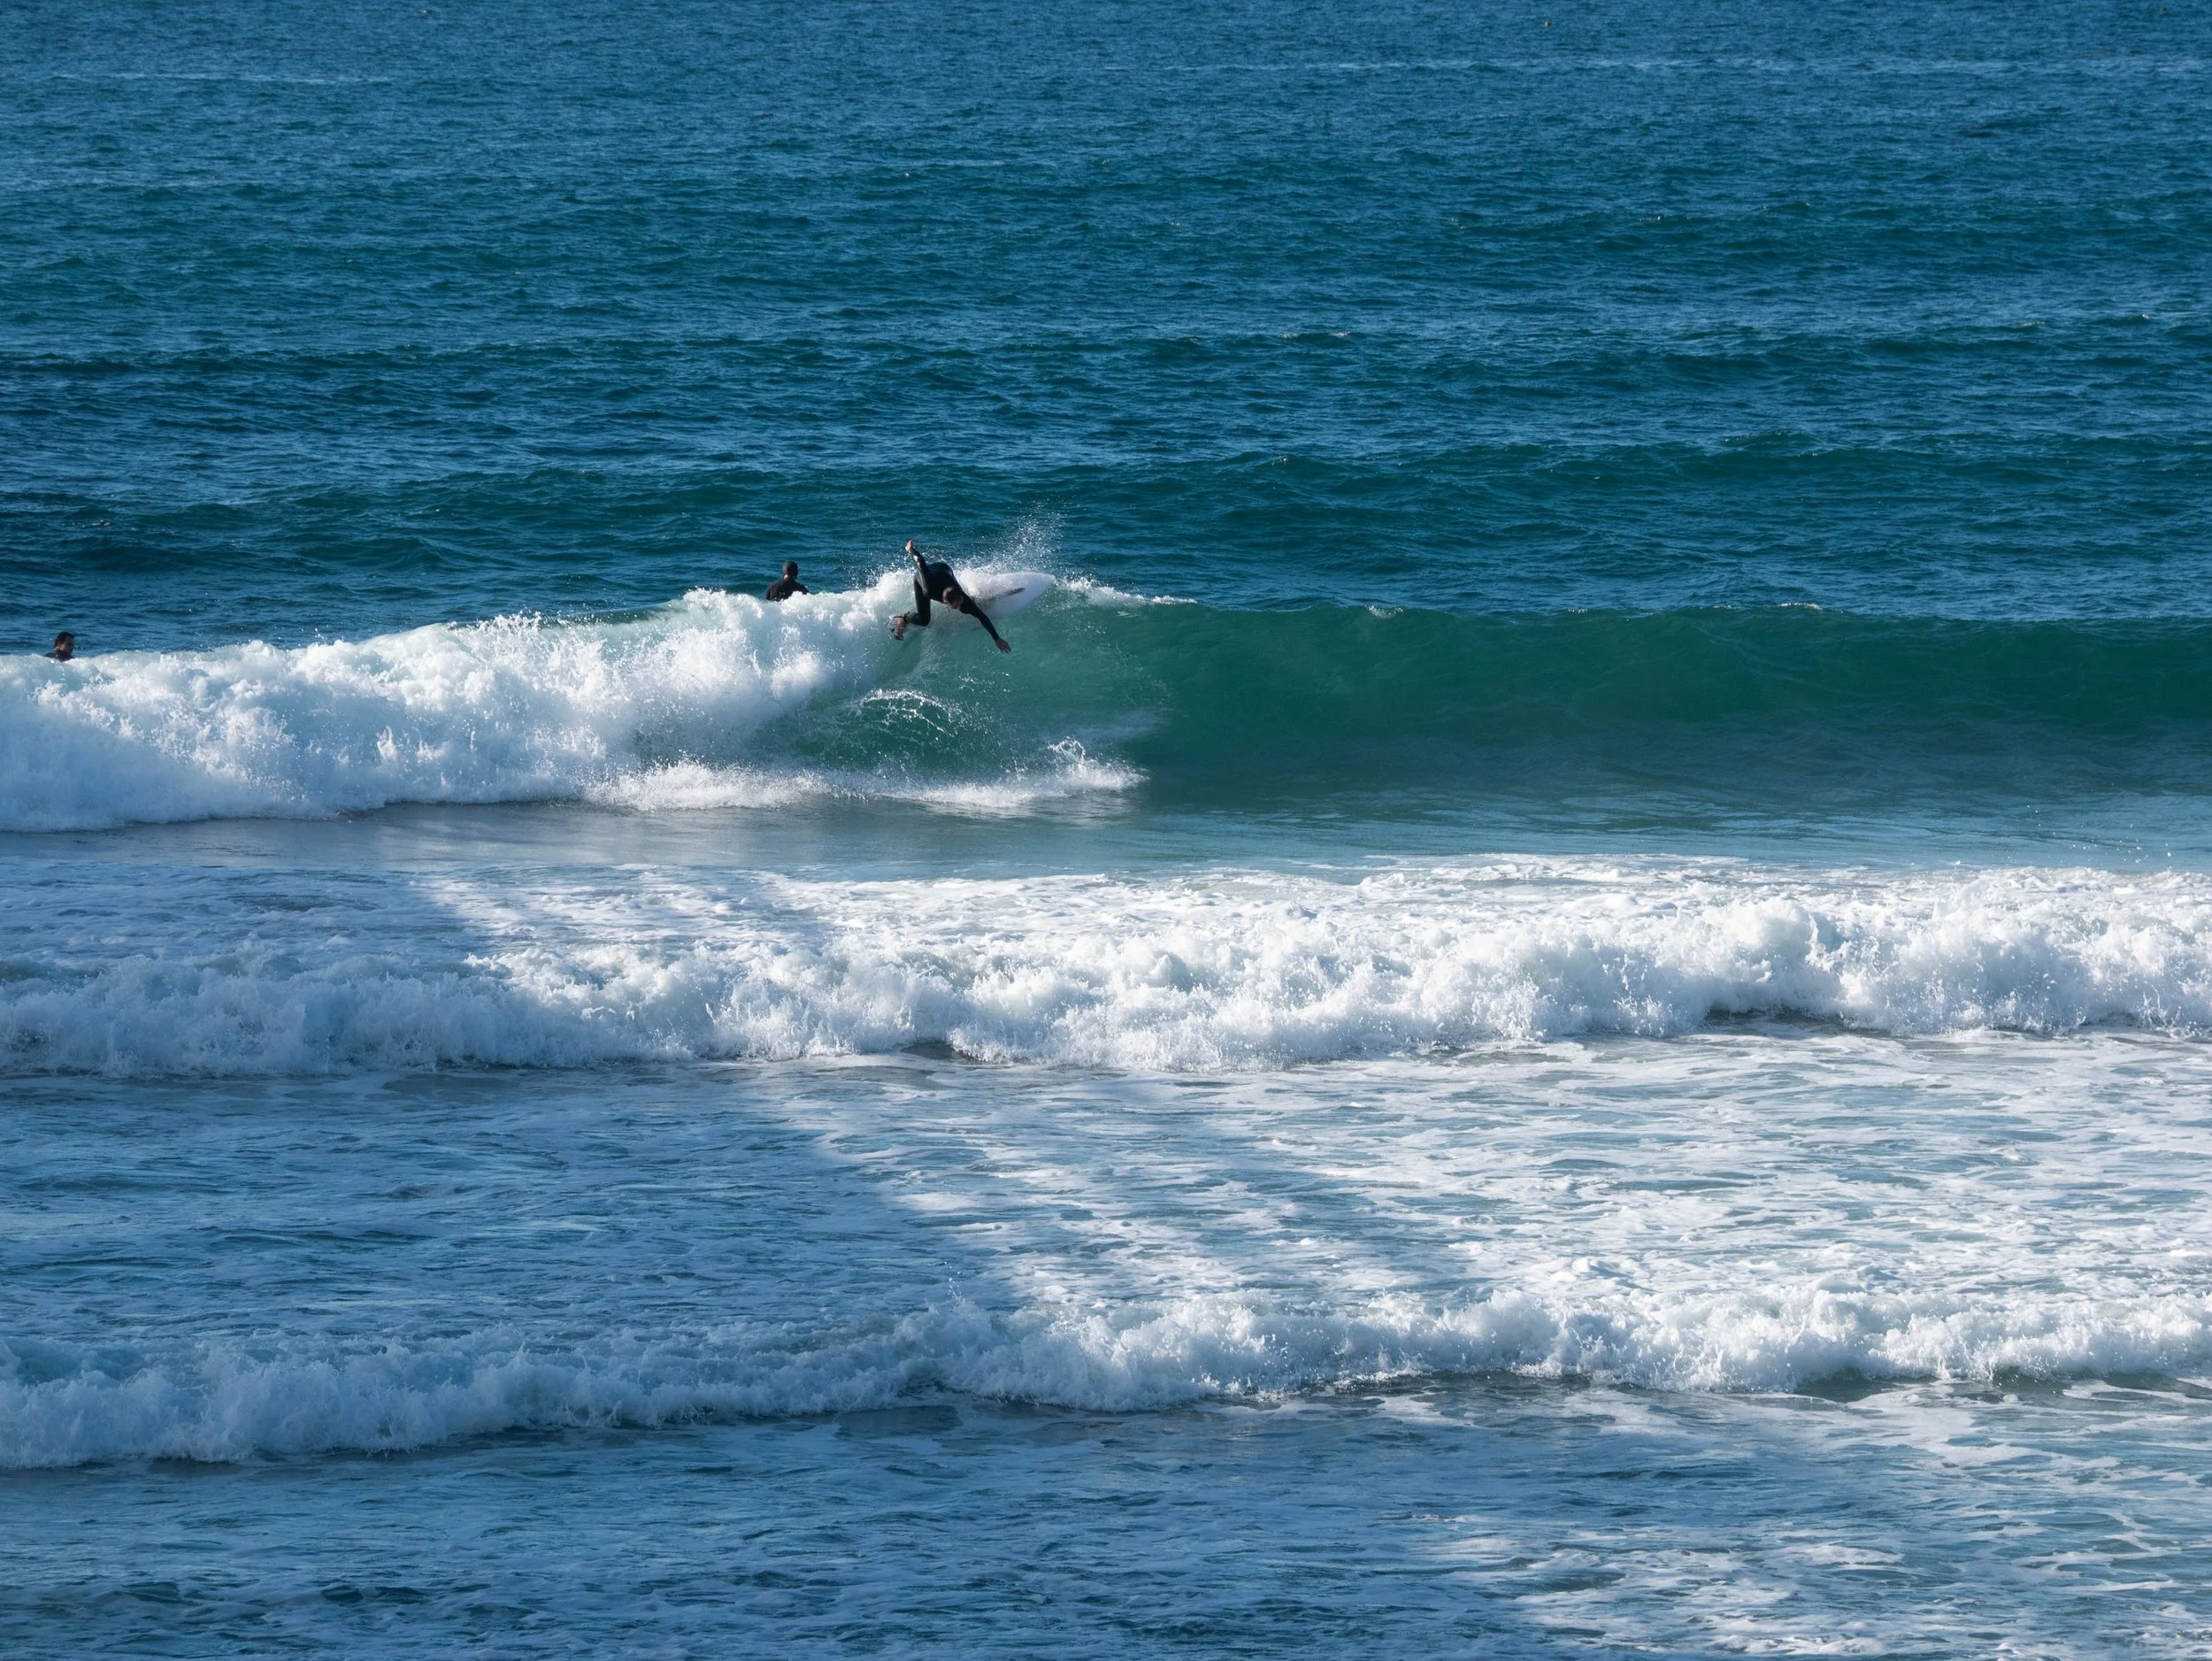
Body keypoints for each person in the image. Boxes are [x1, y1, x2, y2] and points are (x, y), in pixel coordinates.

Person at [892, 540, 1010, 652]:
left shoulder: (961, 597)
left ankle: (978, 602)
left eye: (959, 603)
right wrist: (910, 549)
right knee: (924, 620)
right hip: (923, 577)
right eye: (955, 607)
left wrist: (997, 639)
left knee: (967, 608)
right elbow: (921, 562)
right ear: (945, 602)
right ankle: (904, 617)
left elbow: (982, 617)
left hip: (944, 569)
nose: (958, 607)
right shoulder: (929, 589)